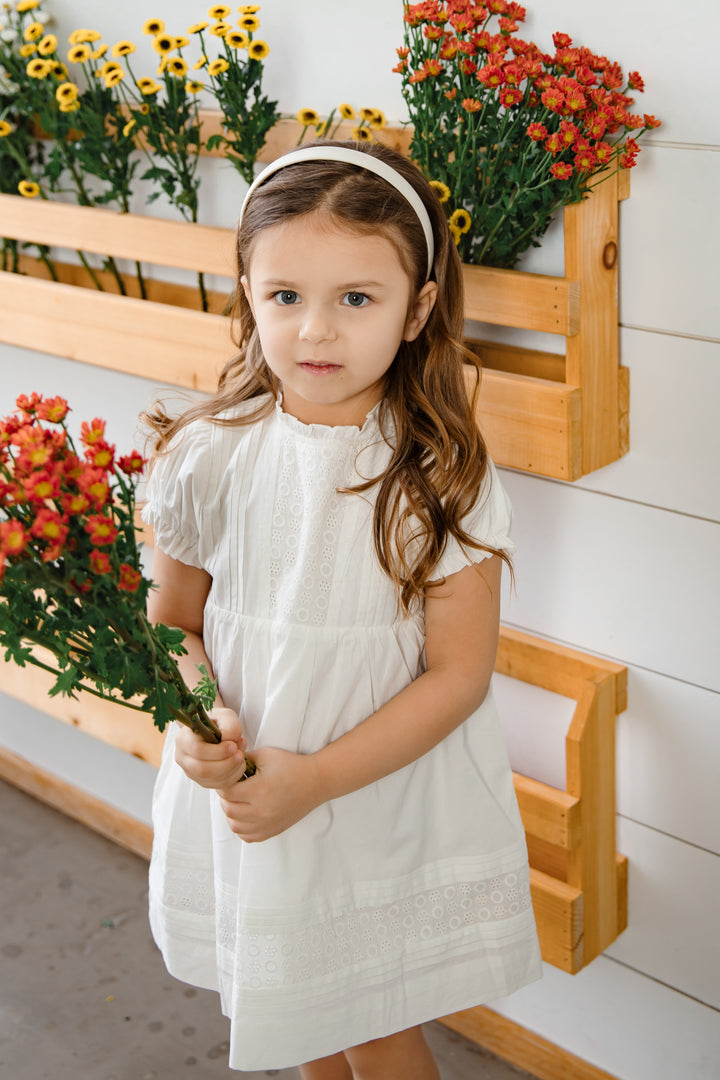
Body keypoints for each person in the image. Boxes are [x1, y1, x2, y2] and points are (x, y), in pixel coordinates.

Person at [141, 138, 542, 1079]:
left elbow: (458, 675)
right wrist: (199, 718)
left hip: (371, 796)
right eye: (285, 297)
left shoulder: (437, 475)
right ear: (248, 297)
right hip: (246, 791)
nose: (315, 331)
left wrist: (315, 780)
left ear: (419, 310)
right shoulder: (206, 455)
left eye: (355, 299)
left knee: (372, 1024)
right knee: (299, 1015)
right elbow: (171, 625)